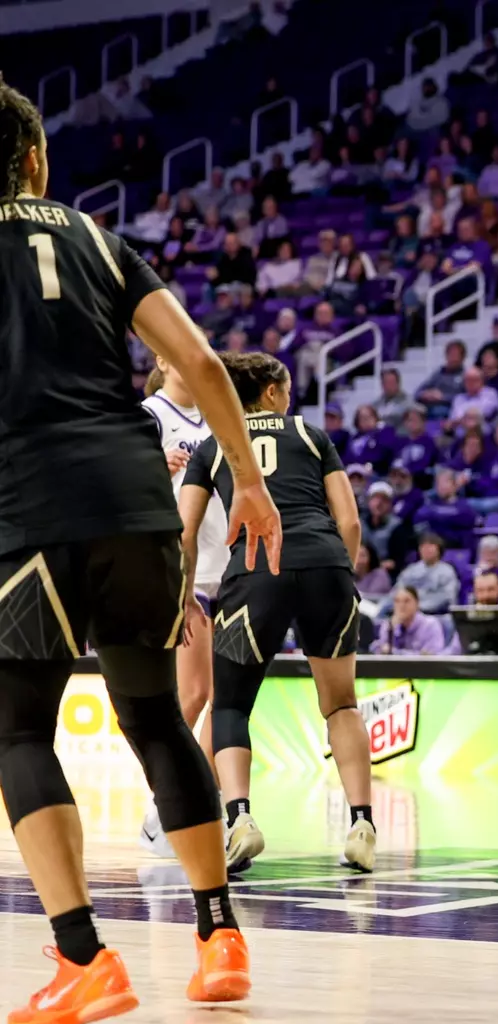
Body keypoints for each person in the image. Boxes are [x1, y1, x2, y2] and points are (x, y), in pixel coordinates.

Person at [0, 84, 279, 1024]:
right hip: (135, 503)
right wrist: (247, 479)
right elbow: (201, 366)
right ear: (36, 159)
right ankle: (218, 938)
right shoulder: (98, 240)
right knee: (157, 716)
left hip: (28, 506)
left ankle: (83, 958)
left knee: (19, 730)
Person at [179, 353, 375, 875]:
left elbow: (184, 532)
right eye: (285, 388)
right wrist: (341, 572)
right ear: (270, 392)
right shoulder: (312, 436)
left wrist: (181, 594)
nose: (289, 398)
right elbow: (349, 519)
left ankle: (241, 820)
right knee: (341, 705)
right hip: (324, 565)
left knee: (231, 708)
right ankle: (361, 825)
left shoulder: (214, 446)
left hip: (255, 571)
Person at [134, 359, 233, 858]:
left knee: (226, 701)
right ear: (162, 360)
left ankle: (198, 802)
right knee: (192, 697)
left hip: (229, 570)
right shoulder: (150, 414)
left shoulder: (218, 417)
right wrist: (154, 465)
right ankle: (161, 810)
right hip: (179, 572)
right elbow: (119, 485)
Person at [373, 586, 452, 654]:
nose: (401, 606)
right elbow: (381, 651)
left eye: (407, 601)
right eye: (397, 601)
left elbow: (430, 658)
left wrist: (396, 652)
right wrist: (391, 631)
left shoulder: (430, 625)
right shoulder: (389, 625)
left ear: (417, 603)